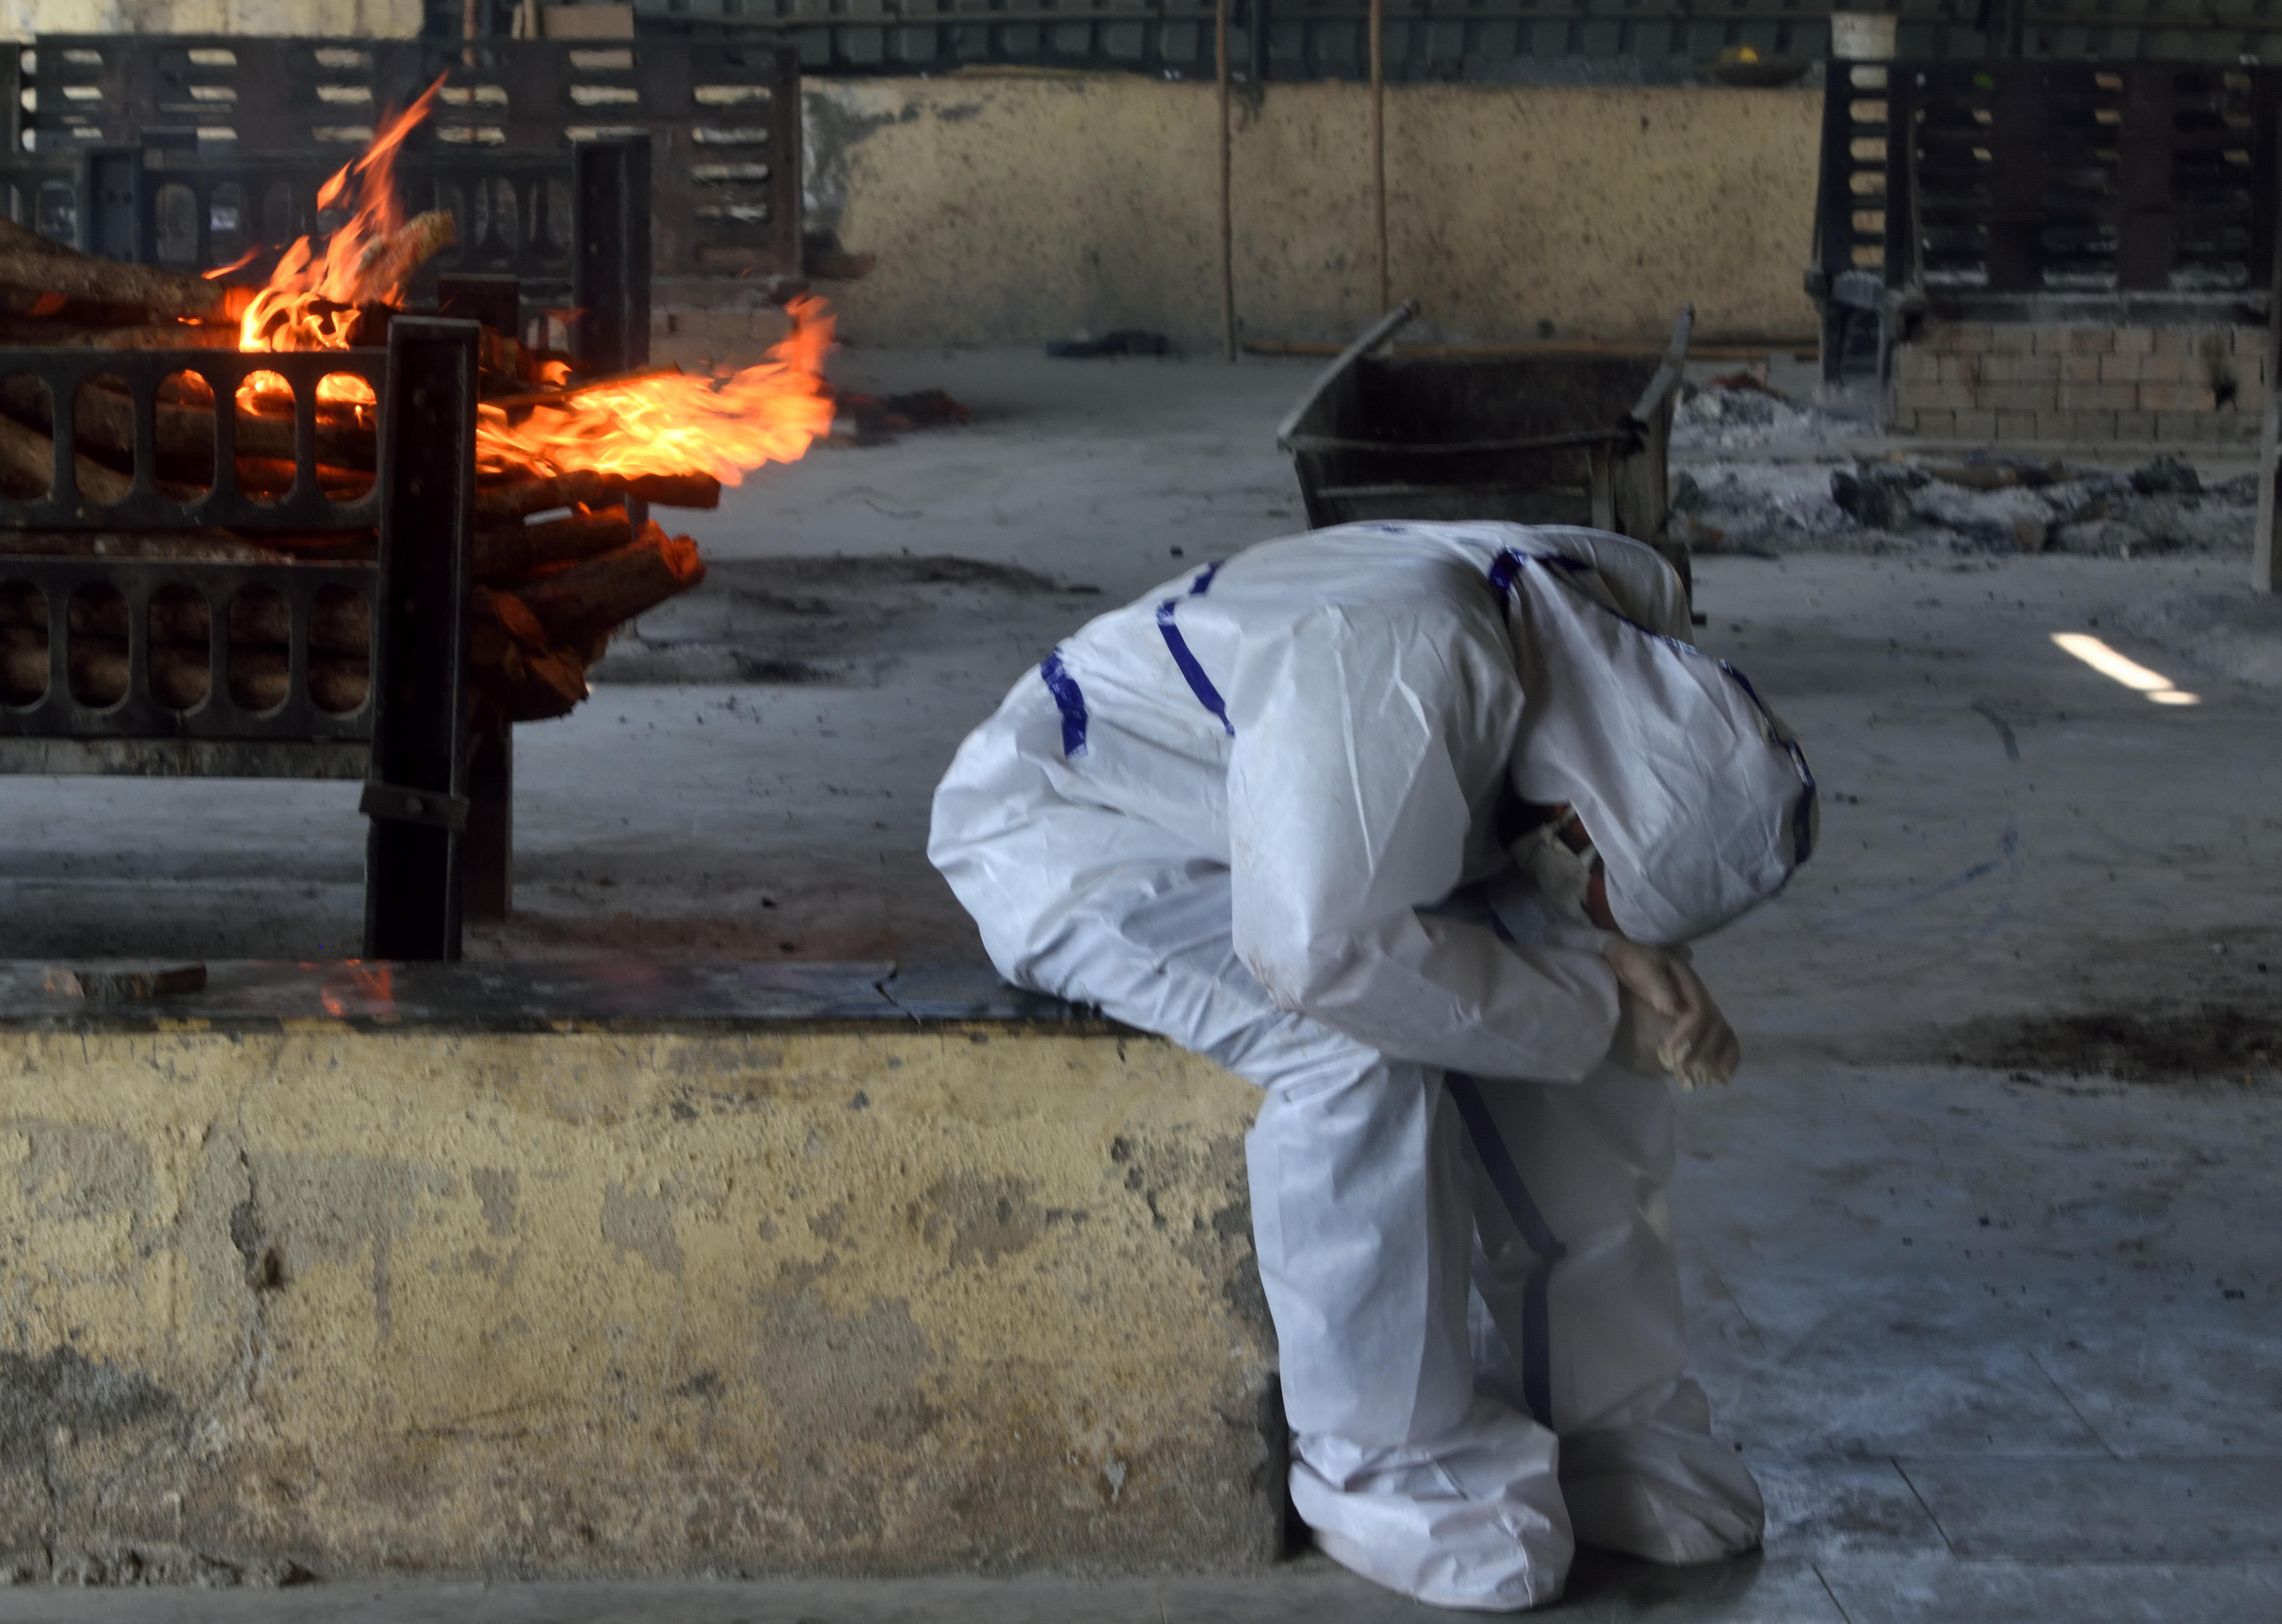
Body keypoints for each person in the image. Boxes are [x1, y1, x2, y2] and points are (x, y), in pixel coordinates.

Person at [928, 521, 1816, 1610]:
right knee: (1352, 1052)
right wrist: (1589, 998)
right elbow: (1320, 954)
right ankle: (1387, 1463)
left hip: (1341, 823)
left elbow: (1569, 854)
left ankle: (1614, 1425)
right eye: (1599, 884)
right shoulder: (1392, 652)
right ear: (1577, 819)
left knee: (1585, 1045)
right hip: (1095, 825)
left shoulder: (1625, 625)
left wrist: (1624, 965)